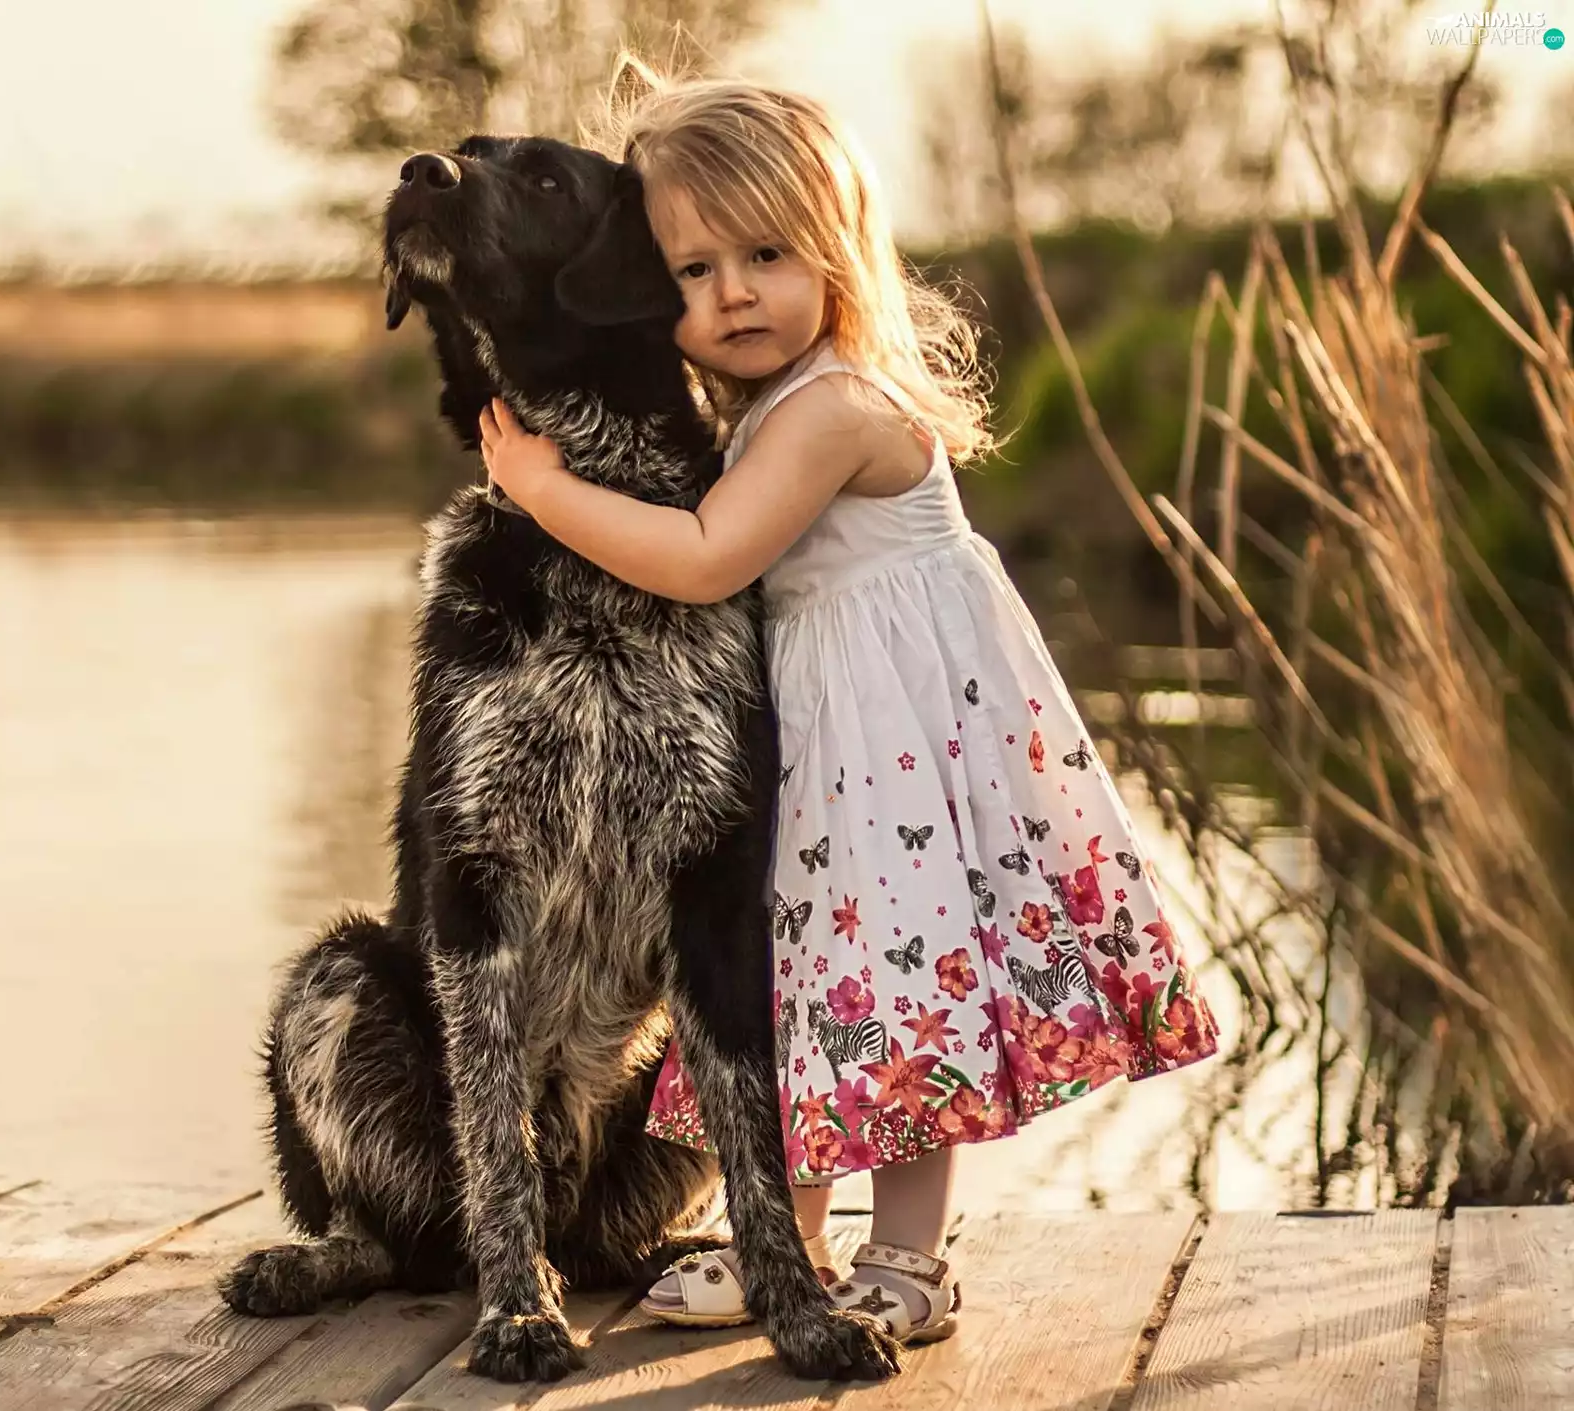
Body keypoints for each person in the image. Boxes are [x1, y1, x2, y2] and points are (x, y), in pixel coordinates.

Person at [477, 60, 1221, 1345]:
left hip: (899, 757)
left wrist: (544, 492)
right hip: (831, 749)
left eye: (766, 254)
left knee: (903, 982)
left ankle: (908, 1258)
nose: (733, 294)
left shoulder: (832, 408)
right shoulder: (771, 400)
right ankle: (794, 1239)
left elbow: (709, 553)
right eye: (693, 272)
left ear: (837, 247)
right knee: (808, 987)